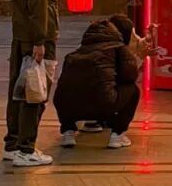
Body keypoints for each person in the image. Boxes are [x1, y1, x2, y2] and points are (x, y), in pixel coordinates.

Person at [2, 0, 78, 167]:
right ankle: (26, 148)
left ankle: (13, 144)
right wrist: (39, 41)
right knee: (35, 92)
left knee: (19, 90)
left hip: (22, 35)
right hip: (38, 38)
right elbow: (38, 4)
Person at [54, 14, 143, 149]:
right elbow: (130, 76)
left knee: (69, 89)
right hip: (101, 105)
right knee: (133, 90)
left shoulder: (81, 48)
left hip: (67, 106)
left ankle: (68, 132)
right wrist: (137, 56)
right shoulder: (119, 48)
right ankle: (117, 135)